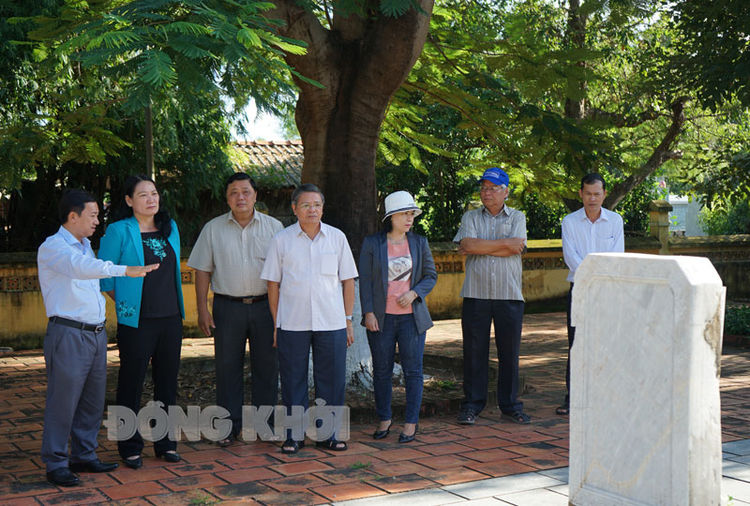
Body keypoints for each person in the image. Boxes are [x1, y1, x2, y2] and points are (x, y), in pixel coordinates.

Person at [38, 189, 159, 487]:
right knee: (63, 401)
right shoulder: (54, 247)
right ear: (72, 216)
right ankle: (56, 462)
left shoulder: (85, 245)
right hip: (68, 333)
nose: (97, 220)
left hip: (95, 333)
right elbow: (82, 270)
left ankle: (84, 455)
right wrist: (124, 270)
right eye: (92, 215)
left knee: (92, 401)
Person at [261, 183, 358, 454]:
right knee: (293, 380)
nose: (312, 210)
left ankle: (328, 435)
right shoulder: (282, 240)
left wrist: (348, 319)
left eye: (316, 204)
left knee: (332, 380)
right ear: (294, 209)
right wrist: (277, 323)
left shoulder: (337, 238)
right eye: (306, 205)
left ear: (323, 208)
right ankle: (294, 435)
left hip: (332, 322)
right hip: (292, 323)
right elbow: (273, 284)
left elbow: (348, 281)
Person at [187, 173, 283, 445]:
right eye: (233, 193)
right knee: (227, 367)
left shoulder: (275, 228)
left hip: (266, 306)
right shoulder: (213, 229)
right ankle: (228, 428)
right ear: (226, 197)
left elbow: (284, 271)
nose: (240, 197)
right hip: (227, 307)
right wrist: (203, 310)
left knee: (267, 367)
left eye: (245, 192)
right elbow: (203, 270)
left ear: (255, 195)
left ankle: (266, 427)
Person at [98, 175, 185, 469]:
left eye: (155, 193)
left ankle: (166, 443)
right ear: (129, 200)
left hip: (171, 318)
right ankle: (129, 446)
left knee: (167, 383)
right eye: (144, 194)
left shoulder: (169, 228)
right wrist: (125, 306)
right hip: (137, 322)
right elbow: (105, 275)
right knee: (131, 383)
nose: (151, 199)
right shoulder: (118, 230)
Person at [454, 167, 531, 426]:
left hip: (509, 294)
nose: (487, 193)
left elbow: (517, 247)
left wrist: (482, 247)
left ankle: (510, 405)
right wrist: (503, 245)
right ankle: (472, 405)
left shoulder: (518, 217)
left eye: (493, 188)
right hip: (476, 294)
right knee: (474, 352)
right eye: (484, 187)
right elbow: (467, 246)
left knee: (509, 352)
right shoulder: (470, 216)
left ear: (506, 191)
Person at [359, 191, 437, 444]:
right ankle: (385, 418)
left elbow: (430, 276)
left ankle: (411, 423)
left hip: (412, 320)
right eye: (404, 214)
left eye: (412, 214)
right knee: (381, 372)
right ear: (391, 216)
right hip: (381, 319)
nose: (409, 218)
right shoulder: (372, 244)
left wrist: (415, 292)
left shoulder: (419, 243)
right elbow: (366, 282)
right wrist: (368, 312)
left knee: (413, 371)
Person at [557, 173, 624, 415]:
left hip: (607, 289)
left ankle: (605, 396)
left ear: (604, 194)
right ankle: (572, 398)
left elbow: (617, 256)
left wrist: (600, 279)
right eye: (588, 193)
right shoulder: (570, 222)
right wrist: (591, 276)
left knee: (606, 342)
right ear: (581, 194)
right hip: (580, 289)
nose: (592, 198)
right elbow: (570, 257)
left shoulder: (615, 221)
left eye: (597, 194)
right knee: (577, 343)